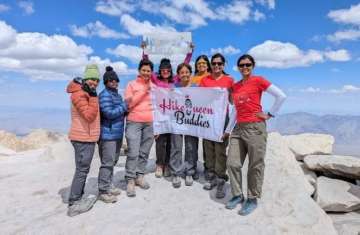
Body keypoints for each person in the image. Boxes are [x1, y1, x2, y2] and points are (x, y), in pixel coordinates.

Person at [224, 54, 286, 216]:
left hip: (255, 128)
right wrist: (228, 130)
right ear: (238, 67)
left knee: (255, 165)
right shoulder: (236, 87)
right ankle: (238, 195)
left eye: (248, 65)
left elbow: (281, 96)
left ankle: (252, 198)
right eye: (242, 65)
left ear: (253, 66)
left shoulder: (258, 80)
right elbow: (235, 110)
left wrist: (270, 114)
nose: (245, 68)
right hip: (238, 128)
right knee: (232, 163)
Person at [141, 42, 194, 180]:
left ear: (171, 71)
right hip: (161, 115)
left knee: (172, 142)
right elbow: (146, 65)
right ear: (160, 70)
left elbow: (184, 66)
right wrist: (145, 51)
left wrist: (190, 52)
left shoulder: (175, 80)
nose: (165, 72)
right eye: (163, 70)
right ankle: (160, 164)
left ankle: (169, 165)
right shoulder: (155, 79)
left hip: (174, 115)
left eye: (168, 70)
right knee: (161, 141)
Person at [66, 64, 101, 217]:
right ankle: (74, 202)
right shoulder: (80, 94)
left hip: (85, 137)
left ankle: (77, 197)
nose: (94, 82)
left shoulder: (83, 92)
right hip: (82, 138)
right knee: (82, 170)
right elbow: (89, 116)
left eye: (96, 80)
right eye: (91, 79)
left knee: (82, 169)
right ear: (85, 79)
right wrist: (93, 97)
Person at [199, 53, 234, 199]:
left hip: (221, 118)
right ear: (211, 65)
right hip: (208, 117)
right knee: (208, 147)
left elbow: (233, 100)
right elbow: (199, 98)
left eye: (219, 63)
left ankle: (221, 179)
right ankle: (211, 175)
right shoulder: (205, 80)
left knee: (220, 149)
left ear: (223, 64)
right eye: (214, 63)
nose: (216, 66)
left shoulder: (229, 80)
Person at [124, 59, 154, 197]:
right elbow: (129, 104)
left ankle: (139, 175)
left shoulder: (155, 86)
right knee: (133, 152)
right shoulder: (131, 84)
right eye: (144, 70)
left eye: (148, 71)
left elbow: (160, 105)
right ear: (139, 71)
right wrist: (144, 92)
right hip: (134, 121)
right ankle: (130, 179)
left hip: (150, 123)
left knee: (144, 152)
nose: (146, 73)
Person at [97, 66, 127, 203]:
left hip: (117, 133)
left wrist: (126, 109)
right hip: (107, 134)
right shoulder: (104, 95)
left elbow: (120, 112)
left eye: (116, 80)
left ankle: (108, 185)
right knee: (107, 163)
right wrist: (124, 107)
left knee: (113, 161)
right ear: (106, 82)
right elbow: (109, 113)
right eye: (111, 80)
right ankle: (103, 190)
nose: (114, 82)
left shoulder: (116, 95)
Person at [173, 63, 199, 186]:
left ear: (190, 73)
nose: (184, 74)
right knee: (176, 147)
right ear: (178, 75)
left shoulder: (196, 88)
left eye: (186, 72)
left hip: (191, 122)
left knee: (191, 147)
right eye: (182, 72)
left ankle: (189, 172)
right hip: (177, 121)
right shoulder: (173, 87)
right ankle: (176, 173)